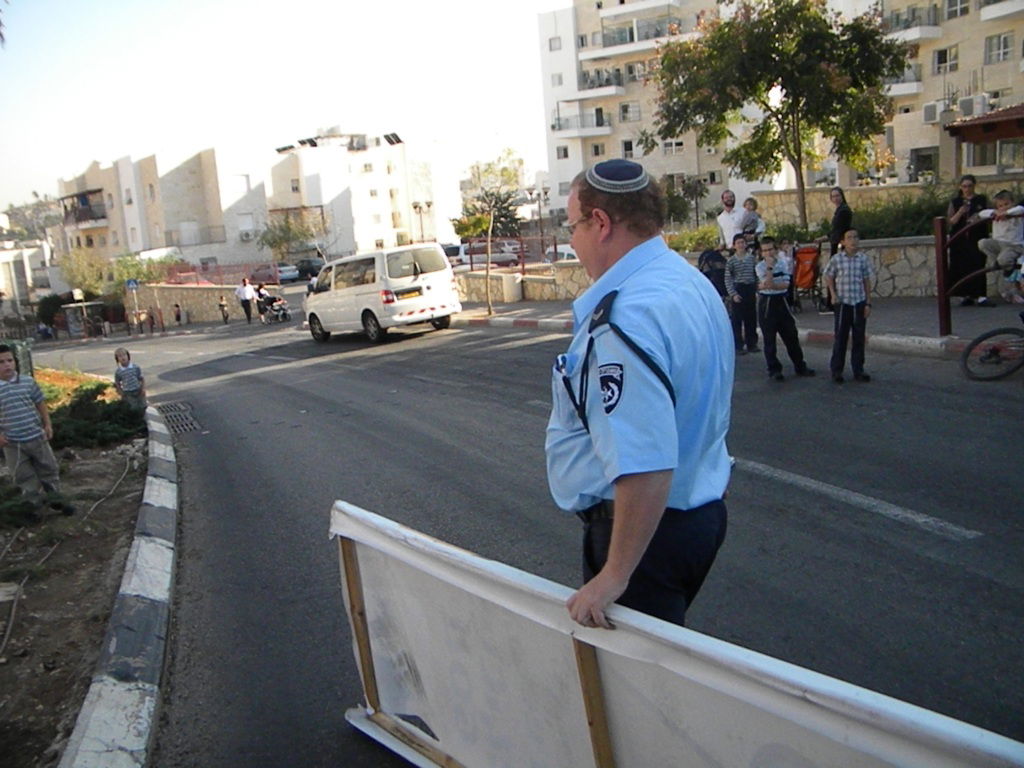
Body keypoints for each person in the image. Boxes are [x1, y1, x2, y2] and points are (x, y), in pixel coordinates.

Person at [545, 159, 733, 629]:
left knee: (637, 695)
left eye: (573, 228)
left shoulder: (625, 317)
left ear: (601, 223)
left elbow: (645, 460)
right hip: (697, 516)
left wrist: (614, 573)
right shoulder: (687, 282)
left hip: (645, 539)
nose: (572, 242)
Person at [0, 344, 73, 516]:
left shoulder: (27, 382)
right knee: (23, 476)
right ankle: (33, 508)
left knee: (49, 469)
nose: (7, 365)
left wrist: (47, 424)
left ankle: (56, 500)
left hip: (36, 436)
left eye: (10, 360)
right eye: (1, 362)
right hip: (12, 443)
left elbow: (40, 402)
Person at [756, 237, 815, 381]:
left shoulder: (782, 264)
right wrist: (769, 269)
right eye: (765, 251)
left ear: (775, 250)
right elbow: (766, 283)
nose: (768, 253)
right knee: (769, 339)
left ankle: (800, 366)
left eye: (770, 249)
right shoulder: (760, 267)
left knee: (791, 336)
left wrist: (772, 285)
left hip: (780, 301)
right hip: (767, 303)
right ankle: (774, 369)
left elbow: (785, 284)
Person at [824, 229, 876, 383]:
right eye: (849, 238)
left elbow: (866, 281)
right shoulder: (837, 259)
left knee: (859, 338)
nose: (853, 241)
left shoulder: (863, 259)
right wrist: (833, 294)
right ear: (843, 242)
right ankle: (837, 370)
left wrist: (868, 303)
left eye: (855, 237)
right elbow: (828, 276)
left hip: (858, 302)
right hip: (843, 303)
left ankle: (858, 370)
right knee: (840, 338)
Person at [946, 174, 991, 306]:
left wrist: (977, 217)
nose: (967, 189)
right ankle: (966, 295)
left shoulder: (981, 200)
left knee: (978, 264)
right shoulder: (956, 202)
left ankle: (981, 296)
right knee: (962, 266)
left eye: (969, 186)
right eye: (964, 186)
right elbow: (951, 221)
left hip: (977, 236)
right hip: (960, 239)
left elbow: (988, 215)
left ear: (974, 186)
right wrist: (960, 212)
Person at [976, 189, 1024, 289]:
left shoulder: (1017, 213)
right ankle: (997, 262)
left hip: (1013, 245)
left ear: (1013, 203)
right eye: (1000, 206)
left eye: (1007, 204)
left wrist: (1007, 213)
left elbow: (1020, 208)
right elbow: (982, 213)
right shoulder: (995, 214)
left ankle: (1009, 267)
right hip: (998, 244)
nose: (1004, 208)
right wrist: (994, 212)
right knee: (982, 243)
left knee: (1003, 259)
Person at [725, 232, 759, 354]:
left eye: (742, 242)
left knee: (751, 318)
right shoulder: (731, 261)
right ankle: (738, 345)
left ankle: (752, 343)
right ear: (734, 245)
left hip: (750, 288)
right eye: (738, 243)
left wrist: (757, 290)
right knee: (737, 319)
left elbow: (756, 275)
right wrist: (733, 294)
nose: (741, 245)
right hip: (738, 288)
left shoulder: (751, 259)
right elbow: (728, 278)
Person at [816, 186, 853, 257]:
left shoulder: (843, 210)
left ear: (842, 196)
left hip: (841, 242)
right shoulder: (840, 210)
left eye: (837, 196)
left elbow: (838, 229)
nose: (836, 198)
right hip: (838, 242)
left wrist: (824, 237)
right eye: (833, 196)